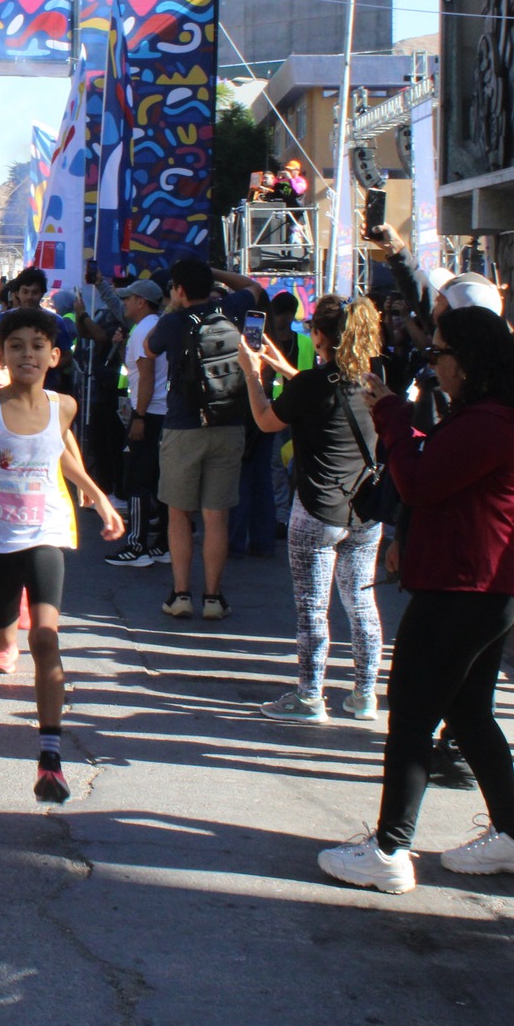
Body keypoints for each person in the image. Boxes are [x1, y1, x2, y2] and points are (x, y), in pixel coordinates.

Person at [318, 306, 514, 894]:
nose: (433, 364)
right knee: (468, 713)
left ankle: (391, 848)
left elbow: (419, 481)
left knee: (415, 712)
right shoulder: (493, 416)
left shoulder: (494, 420)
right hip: (480, 581)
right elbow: (437, 469)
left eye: (438, 353)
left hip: (466, 583)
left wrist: (392, 415)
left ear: (466, 362)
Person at [0, 309, 123, 762]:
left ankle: (50, 748)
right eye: (17, 345)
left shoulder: (64, 406)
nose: (27, 353)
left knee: (46, 638)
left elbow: (62, 457)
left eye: (37, 345)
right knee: (2, 632)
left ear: (53, 356)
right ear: (4, 354)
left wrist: (99, 497)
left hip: (46, 531)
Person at [238, 296, 387, 723]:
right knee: (361, 602)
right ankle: (364, 694)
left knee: (311, 607)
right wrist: (282, 365)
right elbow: (323, 387)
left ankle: (309, 696)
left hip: (318, 509)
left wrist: (254, 372)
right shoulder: (374, 382)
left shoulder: (310, 386)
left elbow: (268, 419)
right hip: (365, 510)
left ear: (319, 335)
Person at [142, 258, 251, 621]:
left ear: (179, 289)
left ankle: (182, 593)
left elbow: (148, 348)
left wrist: (175, 305)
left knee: (179, 514)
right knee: (216, 517)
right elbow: (254, 285)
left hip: (183, 427)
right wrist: (213, 273)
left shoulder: (172, 322)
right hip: (229, 422)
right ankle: (214, 597)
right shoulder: (232, 308)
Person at [107, 280, 169, 570]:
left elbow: (146, 376)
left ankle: (137, 545)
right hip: (161, 411)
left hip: (150, 411)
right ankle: (163, 544)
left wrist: (140, 416)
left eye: (129, 299)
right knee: (159, 480)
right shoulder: (157, 326)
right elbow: (137, 370)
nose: (125, 304)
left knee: (138, 480)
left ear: (142, 302)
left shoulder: (144, 329)